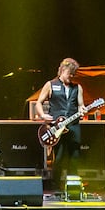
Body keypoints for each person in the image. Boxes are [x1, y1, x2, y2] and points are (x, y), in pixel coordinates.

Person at [36, 57, 86, 191]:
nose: (72, 76)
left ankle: (72, 187)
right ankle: (56, 188)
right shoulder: (51, 84)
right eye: (70, 73)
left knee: (75, 156)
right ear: (63, 70)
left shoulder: (77, 88)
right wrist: (43, 115)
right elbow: (39, 102)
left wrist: (82, 110)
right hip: (57, 128)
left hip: (74, 126)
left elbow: (81, 105)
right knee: (58, 159)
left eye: (73, 74)